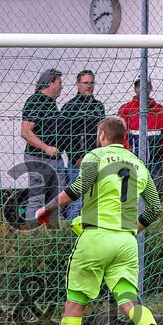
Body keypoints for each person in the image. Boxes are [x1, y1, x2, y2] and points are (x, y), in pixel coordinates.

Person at [28, 117, 163, 325]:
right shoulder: (139, 164)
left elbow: (77, 189)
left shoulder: (95, 157)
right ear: (124, 138)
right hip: (126, 242)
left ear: (103, 135)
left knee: (75, 304)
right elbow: (155, 208)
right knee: (128, 300)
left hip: (95, 238)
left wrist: (46, 209)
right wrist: (132, 229)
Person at [21, 69, 67, 221]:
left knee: (57, 199)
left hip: (56, 159)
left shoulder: (51, 103)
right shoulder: (36, 101)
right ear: (50, 83)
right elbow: (26, 132)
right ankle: (33, 235)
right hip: (39, 158)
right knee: (37, 198)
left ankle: (53, 235)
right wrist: (47, 148)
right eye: (59, 83)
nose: (62, 87)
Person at [59, 70, 105, 219]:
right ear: (78, 84)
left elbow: (101, 135)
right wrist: (75, 158)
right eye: (85, 83)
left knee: (95, 200)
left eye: (91, 83)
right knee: (76, 201)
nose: (89, 86)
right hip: (77, 163)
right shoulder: (69, 107)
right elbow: (65, 137)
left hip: (96, 161)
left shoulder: (98, 107)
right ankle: (71, 235)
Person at [118, 78, 163, 182]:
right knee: (134, 189)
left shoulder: (159, 109)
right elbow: (122, 135)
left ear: (151, 88)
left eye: (146, 86)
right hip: (132, 158)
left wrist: (161, 153)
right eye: (139, 86)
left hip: (154, 159)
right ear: (135, 89)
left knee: (152, 189)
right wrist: (128, 154)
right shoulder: (126, 108)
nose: (143, 89)